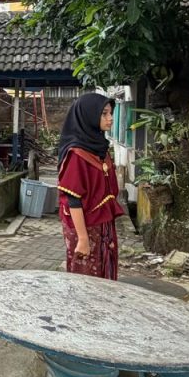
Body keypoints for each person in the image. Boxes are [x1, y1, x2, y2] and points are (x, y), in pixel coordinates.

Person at [57, 93, 124, 280]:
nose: (110, 118)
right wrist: (83, 238)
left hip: (104, 225)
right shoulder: (77, 154)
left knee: (106, 275)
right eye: (104, 114)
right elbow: (73, 199)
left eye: (111, 113)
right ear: (89, 116)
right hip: (85, 227)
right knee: (85, 280)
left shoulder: (100, 149)